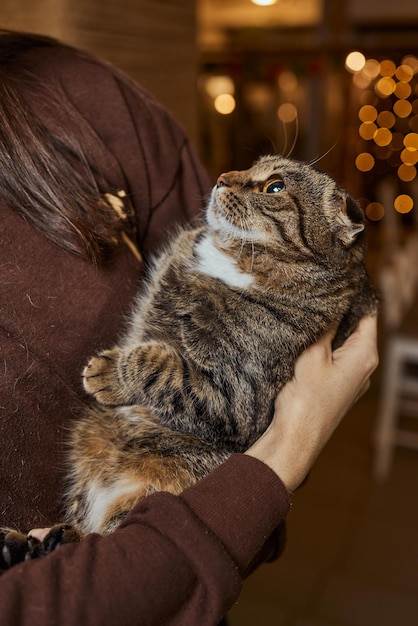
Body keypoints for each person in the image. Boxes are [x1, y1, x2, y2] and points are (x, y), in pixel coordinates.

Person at [0, 31, 379, 626]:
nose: (229, 178)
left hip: (182, 518)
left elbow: (235, 423)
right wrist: (291, 447)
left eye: (270, 184)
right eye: (254, 175)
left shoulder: (82, 89)